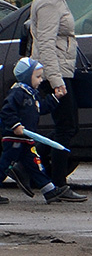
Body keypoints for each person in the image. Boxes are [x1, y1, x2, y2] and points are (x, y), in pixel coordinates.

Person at [29, 0, 87, 200]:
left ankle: (27, 163)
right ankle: (58, 184)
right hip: (56, 74)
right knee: (66, 128)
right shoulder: (49, 2)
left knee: (68, 127)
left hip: (60, 71)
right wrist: (57, 82)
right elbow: (45, 44)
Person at [0, 57, 84, 203]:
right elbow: (7, 111)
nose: (40, 80)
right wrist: (15, 126)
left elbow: (41, 108)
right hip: (14, 139)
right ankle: (50, 190)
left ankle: (50, 191)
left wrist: (55, 98)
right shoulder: (17, 93)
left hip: (27, 140)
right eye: (37, 77)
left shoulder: (32, 95)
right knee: (4, 165)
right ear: (26, 77)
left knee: (35, 165)